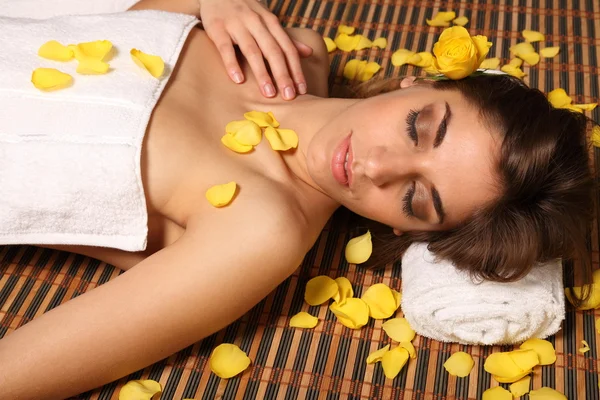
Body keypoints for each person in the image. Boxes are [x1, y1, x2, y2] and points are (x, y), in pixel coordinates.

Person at [0, 0, 594, 398]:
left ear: (416, 234)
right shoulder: (294, 45)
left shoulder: (262, 230)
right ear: (424, 81)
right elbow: (83, 37)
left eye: (415, 199)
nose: (374, 167)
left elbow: (17, 372)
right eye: (417, 127)